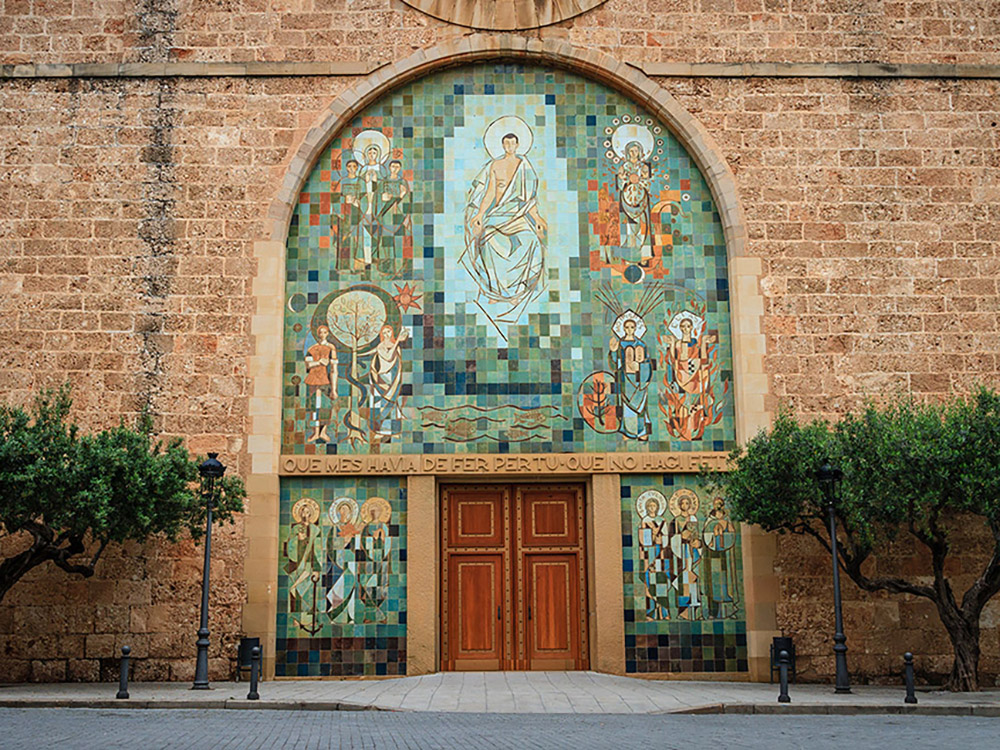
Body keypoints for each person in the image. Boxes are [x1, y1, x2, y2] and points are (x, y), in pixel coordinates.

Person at [463, 132, 547, 323]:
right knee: (486, 240)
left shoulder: (524, 167)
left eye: (512, 143)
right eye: (506, 143)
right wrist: (480, 214)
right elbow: (490, 193)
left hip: (517, 215)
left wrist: (536, 218)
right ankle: (495, 291)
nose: (509, 146)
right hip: (498, 215)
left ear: (517, 145)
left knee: (531, 241)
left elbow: (529, 199)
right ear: (502, 145)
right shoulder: (496, 165)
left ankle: (517, 292)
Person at [609, 312, 652, 441]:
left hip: (639, 381)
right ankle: (628, 432)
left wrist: (640, 368)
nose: (629, 330)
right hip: (625, 380)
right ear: (623, 329)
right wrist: (613, 351)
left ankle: (642, 432)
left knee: (641, 406)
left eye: (632, 327)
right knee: (627, 407)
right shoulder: (620, 344)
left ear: (635, 329)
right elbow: (615, 364)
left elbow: (648, 363)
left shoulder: (641, 345)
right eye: (626, 327)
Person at [367, 324, 408, 441]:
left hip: (393, 378)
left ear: (392, 333)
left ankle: (394, 431)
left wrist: (398, 379)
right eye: (384, 332)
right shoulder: (380, 346)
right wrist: (397, 341)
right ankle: (379, 431)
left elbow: (399, 364)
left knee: (393, 404)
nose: (386, 334)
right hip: (382, 378)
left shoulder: (396, 347)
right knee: (380, 404)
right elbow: (388, 357)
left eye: (388, 332)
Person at [615, 141, 652, 262]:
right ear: (627, 152)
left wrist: (640, 180)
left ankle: (643, 252)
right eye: (631, 151)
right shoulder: (624, 167)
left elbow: (648, 184)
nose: (634, 153)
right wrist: (624, 179)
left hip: (641, 198)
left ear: (640, 152)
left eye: (636, 151)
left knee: (642, 224)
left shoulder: (644, 167)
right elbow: (620, 185)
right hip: (627, 198)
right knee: (628, 225)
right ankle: (629, 251)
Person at [303, 325, 337, 443]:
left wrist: (334, 389)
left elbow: (334, 369)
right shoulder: (312, 348)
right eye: (320, 332)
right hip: (313, 379)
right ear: (318, 334)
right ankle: (316, 432)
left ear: (328, 334)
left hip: (325, 380)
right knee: (314, 406)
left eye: (325, 332)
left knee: (326, 406)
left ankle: (323, 432)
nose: (322, 334)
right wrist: (319, 362)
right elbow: (308, 365)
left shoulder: (331, 348)